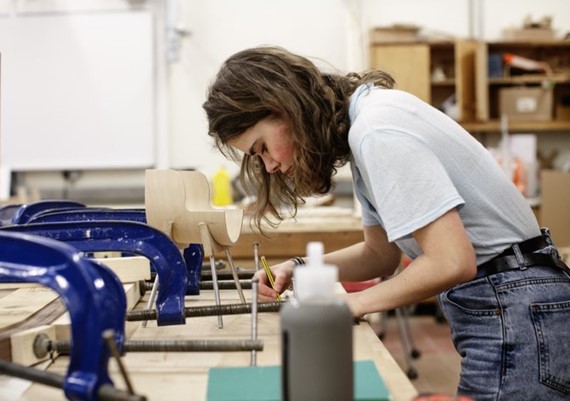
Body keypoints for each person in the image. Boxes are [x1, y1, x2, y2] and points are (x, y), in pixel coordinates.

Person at [202, 46, 570, 401]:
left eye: (262, 147)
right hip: (515, 302)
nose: (269, 167)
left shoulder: (377, 131)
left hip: (517, 306)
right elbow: (380, 255)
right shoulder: (366, 125)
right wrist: (300, 268)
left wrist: (349, 305)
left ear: (285, 109)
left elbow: (451, 261)